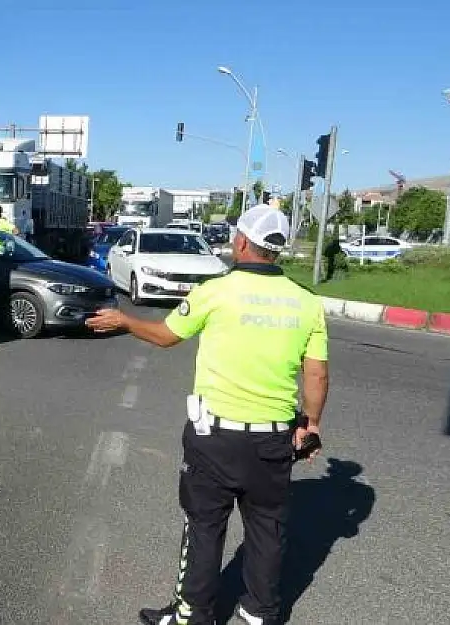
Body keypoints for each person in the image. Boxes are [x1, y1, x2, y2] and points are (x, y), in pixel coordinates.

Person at [85, 204, 330, 625]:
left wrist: (125, 321)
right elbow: (317, 374)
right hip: (273, 440)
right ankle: (260, 613)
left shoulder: (215, 292)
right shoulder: (307, 303)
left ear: (240, 242)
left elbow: (165, 336)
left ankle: (192, 615)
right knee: (267, 530)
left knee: (204, 526)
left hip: (214, 437)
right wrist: (309, 425)